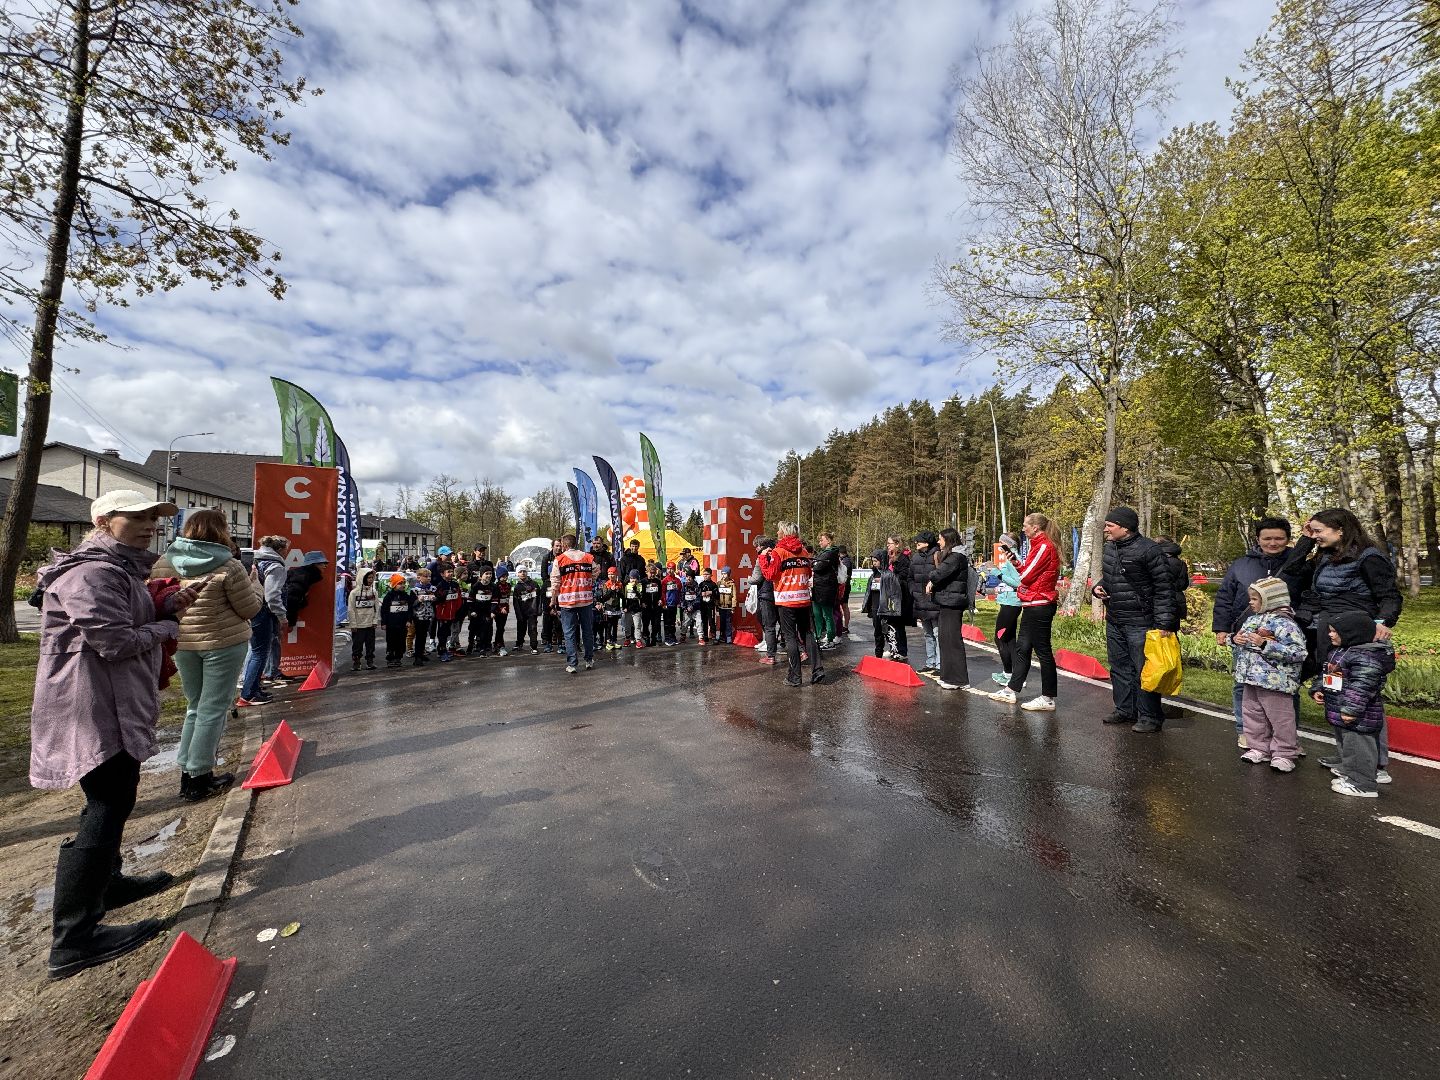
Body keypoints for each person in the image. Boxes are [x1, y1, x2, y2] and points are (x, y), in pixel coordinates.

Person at [31, 490, 195, 978]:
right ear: (104, 521)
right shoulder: (93, 573)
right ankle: (74, 937)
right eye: (138, 517)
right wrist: (165, 625)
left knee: (116, 797)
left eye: (154, 519)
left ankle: (109, 882)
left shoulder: (121, 571)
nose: (150, 526)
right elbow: (115, 640)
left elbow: (128, 622)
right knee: (106, 801)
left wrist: (168, 601)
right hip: (91, 705)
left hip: (112, 700)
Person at [153, 509, 263, 800]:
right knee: (213, 708)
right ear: (221, 531)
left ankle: (187, 770)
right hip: (223, 643)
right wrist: (256, 587)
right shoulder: (229, 565)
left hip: (184, 644)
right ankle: (200, 775)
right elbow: (249, 609)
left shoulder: (165, 563)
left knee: (195, 705)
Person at [1092, 507, 1178, 733]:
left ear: (1125, 527)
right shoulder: (1111, 548)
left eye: (1110, 525)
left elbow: (1164, 588)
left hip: (1141, 622)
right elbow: (1111, 577)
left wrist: (1164, 623)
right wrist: (1098, 588)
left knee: (1145, 670)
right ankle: (1125, 710)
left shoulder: (1149, 550)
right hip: (1115, 619)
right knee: (1119, 667)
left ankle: (1150, 717)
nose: (1106, 529)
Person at [1214, 517, 1295, 746]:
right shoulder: (1241, 564)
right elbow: (1225, 597)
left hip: (1282, 636)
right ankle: (1247, 731)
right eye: (1267, 538)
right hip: (1246, 634)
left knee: (1286, 686)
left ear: (1287, 539)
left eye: (1279, 538)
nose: (1272, 543)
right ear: (1258, 539)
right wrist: (1221, 628)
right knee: (1244, 684)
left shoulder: (1298, 564)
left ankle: (1286, 737)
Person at [1313, 612, 1395, 797]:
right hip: (1341, 710)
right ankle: (1350, 775)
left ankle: (1363, 784)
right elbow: (1328, 673)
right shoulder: (1340, 652)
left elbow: (1362, 687)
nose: (1330, 635)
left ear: (1353, 633)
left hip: (1358, 715)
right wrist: (1319, 689)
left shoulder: (1365, 658)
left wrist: (1351, 709)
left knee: (1359, 750)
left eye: (1335, 631)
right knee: (1347, 747)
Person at [1232, 578, 1308, 772]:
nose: (1251, 602)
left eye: (1255, 599)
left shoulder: (1286, 625)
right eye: (1251, 598)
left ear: (1271, 600)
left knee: (1280, 718)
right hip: (1251, 678)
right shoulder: (1252, 620)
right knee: (1253, 714)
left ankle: (1285, 752)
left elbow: (1298, 653)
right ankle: (1259, 747)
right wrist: (1236, 640)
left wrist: (1266, 645)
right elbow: (1242, 641)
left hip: (1277, 681)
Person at [992, 513, 1062, 712]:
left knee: (1043, 651)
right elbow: (1026, 570)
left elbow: (1026, 576)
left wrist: (1011, 572)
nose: (1023, 529)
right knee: (1022, 647)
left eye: (1025, 526)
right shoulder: (1037, 546)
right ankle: (1011, 689)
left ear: (1036, 528)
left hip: (1040, 603)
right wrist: (1014, 560)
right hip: (1032, 602)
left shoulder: (1043, 546)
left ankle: (1048, 697)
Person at [760, 522, 823, 686]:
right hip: (803, 598)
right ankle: (818, 669)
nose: (777, 532)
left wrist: (762, 557)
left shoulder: (778, 552)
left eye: (779, 530)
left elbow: (769, 575)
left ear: (784, 533)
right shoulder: (803, 551)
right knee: (807, 634)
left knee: (790, 637)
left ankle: (795, 676)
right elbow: (809, 573)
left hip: (786, 600)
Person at [238, 535, 290, 707]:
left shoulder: (259, 560)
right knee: (260, 653)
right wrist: (282, 617)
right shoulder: (276, 566)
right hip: (264, 612)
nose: (287, 553)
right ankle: (248, 694)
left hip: (254, 608)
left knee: (255, 652)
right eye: (286, 550)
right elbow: (273, 595)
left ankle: (253, 689)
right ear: (280, 550)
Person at [927, 527, 972, 691]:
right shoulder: (955, 556)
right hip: (948, 601)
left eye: (940, 539)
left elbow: (937, 574)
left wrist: (932, 574)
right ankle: (948, 677)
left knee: (952, 640)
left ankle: (959, 679)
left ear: (948, 540)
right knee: (945, 640)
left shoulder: (956, 557)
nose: (939, 542)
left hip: (953, 603)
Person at [551, 533, 598, 672]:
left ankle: (572, 664)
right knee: (588, 631)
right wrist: (589, 582)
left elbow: (555, 582)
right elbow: (596, 572)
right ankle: (589, 660)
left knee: (569, 633)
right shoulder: (588, 557)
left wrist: (553, 600)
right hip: (585, 599)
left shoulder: (559, 559)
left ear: (565, 545)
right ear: (575, 543)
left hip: (567, 601)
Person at [867, 536, 914, 661]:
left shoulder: (904, 559)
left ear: (897, 544)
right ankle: (894, 648)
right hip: (889, 597)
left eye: (890, 543)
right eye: (887, 543)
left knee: (898, 625)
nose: (887, 545)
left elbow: (902, 577)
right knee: (890, 626)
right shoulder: (889, 558)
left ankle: (901, 651)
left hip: (899, 596)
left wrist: (886, 579)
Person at [990, 536, 1022, 686]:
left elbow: (1018, 582)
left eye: (1002, 543)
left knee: (1000, 638)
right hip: (1008, 601)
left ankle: (1009, 674)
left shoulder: (1014, 558)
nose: (999, 546)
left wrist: (997, 573)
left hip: (1012, 602)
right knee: (1009, 639)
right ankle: (1014, 675)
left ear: (1009, 544)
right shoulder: (1010, 557)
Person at [909, 532, 940, 675]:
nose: (916, 544)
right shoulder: (915, 558)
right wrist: (913, 591)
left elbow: (941, 575)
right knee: (927, 633)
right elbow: (910, 577)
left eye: (919, 541)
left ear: (927, 542)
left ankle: (939, 664)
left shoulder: (937, 555)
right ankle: (930, 662)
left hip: (934, 600)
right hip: (920, 600)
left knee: (937, 633)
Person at [749, 536, 779, 664]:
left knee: (769, 626)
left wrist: (749, 579)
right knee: (786, 627)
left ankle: (771, 656)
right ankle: (802, 651)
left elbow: (756, 579)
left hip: (766, 593)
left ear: (761, 546)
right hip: (780, 592)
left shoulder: (761, 557)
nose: (755, 548)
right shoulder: (778, 554)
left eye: (756, 546)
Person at [811, 532, 840, 649]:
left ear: (828, 541)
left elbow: (817, 566)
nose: (819, 543)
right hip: (818, 587)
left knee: (827, 614)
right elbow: (815, 564)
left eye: (821, 540)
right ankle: (817, 636)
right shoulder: (824, 554)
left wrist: (815, 564)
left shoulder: (831, 553)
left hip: (826, 588)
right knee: (817, 613)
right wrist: (815, 564)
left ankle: (830, 638)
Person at [347, 567, 380, 671]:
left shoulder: (374, 592)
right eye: (368, 577)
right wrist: (353, 624)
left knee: (371, 645)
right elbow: (351, 609)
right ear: (362, 578)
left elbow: (376, 607)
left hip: (370, 624)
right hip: (358, 625)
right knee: (357, 646)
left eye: (372, 577)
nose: (370, 580)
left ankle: (370, 662)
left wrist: (375, 621)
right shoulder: (354, 593)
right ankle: (356, 662)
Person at [381, 574, 413, 667]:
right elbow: (384, 610)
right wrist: (384, 623)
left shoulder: (406, 596)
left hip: (403, 624)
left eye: (403, 583)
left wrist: (409, 620)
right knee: (391, 641)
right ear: (394, 585)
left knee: (401, 641)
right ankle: (390, 658)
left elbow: (409, 610)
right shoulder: (389, 596)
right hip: (391, 624)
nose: (402, 585)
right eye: (400, 583)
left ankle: (398, 657)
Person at [433, 565, 464, 662]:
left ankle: (444, 649)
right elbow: (436, 600)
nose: (450, 573)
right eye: (448, 572)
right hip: (442, 614)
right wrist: (443, 596)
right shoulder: (440, 585)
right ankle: (441, 651)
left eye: (451, 571)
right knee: (442, 634)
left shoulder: (455, 584)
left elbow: (458, 598)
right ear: (442, 574)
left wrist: (456, 610)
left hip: (452, 614)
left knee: (447, 633)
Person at [538, 538, 563, 653]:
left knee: (559, 617)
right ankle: (547, 642)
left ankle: (560, 642)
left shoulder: (564, 557)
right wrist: (551, 584)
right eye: (556, 546)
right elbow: (543, 574)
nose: (558, 548)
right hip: (548, 588)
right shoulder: (546, 557)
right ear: (552, 546)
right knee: (548, 616)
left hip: (561, 588)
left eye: (560, 546)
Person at [467, 567, 497, 656]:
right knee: (472, 629)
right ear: (481, 575)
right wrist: (472, 611)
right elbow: (470, 600)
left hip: (487, 612)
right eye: (486, 574)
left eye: (490, 574)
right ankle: (470, 645)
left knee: (484, 630)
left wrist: (492, 611)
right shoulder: (476, 586)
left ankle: (482, 648)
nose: (489, 575)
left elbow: (495, 600)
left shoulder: (493, 586)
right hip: (476, 612)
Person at [410, 568, 437, 666]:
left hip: (429, 615)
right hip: (419, 616)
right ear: (419, 578)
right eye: (426, 576)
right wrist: (418, 601)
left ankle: (421, 653)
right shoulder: (414, 590)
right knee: (419, 636)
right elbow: (412, 604)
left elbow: (437, 599)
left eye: (429, 576)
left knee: (425, 635)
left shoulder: (432, 589)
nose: (428, 578)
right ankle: (417, 657)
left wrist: (434, 598)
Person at [512, 568, 541, 653]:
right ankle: (519, 644)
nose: (522, 573)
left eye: (524, 571)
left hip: (532, 611)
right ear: (517, 574)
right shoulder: (517, 587)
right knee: (521, 628)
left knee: (532, 629)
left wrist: (539, 609)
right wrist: (518, 614)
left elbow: (538, 598)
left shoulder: (534, 584)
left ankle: (534, 646)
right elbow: (515, 603)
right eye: (520, 572)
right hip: (522, 612)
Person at [599, 567, 624, 650]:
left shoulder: (619, 584)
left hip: (616, 607)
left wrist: (618, 591)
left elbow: (623, 596)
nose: (611, 575)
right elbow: (604, 598)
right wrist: (611, 590)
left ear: (616, 574)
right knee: (608, 625)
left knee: (615, 625)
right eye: (609, 574)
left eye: (612, 574)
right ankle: (608, 641)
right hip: (608, 607)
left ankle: (615, 641)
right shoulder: (606, 584)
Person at [641, 565, 663, 646]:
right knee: (646, 624)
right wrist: (642, 602)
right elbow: (640, 594)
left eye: (654, 573)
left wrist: (660, 599)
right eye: (651, 573)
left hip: (656, 606)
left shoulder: (657, 581)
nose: (652, 574)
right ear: (647, 572)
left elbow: (661, 593)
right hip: (646, 606)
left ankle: (654, 637)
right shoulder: (643, 582)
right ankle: (646, 637)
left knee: (656, 624)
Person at [661, 562, 682, 646]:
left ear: (674, 569)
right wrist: (664, 603)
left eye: (671, 569)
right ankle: (667, 638)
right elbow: (662, 592)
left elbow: (680, 592)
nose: (670, 570)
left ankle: (673, 637)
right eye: (668, 568)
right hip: (667, 604)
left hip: (674, 604)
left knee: (673, 622)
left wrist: (679, 602)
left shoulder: (677, 580)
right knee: (667, 622)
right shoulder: (665, 580)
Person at [696, 567, 719, 644]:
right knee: (704, 621)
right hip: (703, 606)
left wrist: (712, 592)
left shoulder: (713, 584)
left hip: (710, 606)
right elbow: (697, 594)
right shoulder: (701, 584)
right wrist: (701, 593)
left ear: (711, 575)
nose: (705, 576)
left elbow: (717, 595)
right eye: (704, 574)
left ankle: (713, 636)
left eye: (707, 574)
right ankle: (705, 636)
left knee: (711, 621)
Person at [835, 544, 852, 638]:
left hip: (844, 586)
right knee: (843, 606)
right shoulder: (846, 560)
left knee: (844, 606)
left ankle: (845, 626)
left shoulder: (846, 561)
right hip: (844, 586)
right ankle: (843, 625)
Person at [715, 566, 737, 644]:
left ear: (728, 574)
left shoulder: (732, 584)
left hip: (729, 607)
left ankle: (728, 637)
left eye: (725, 574)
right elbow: (717, 595)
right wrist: (717, 604)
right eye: (722, 574)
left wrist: (733, 606)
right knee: (722, 622)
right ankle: (722, 636)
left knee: (728, 622)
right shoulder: (719, 583)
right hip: (721, 606)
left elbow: (734, 595)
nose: (724, 575)